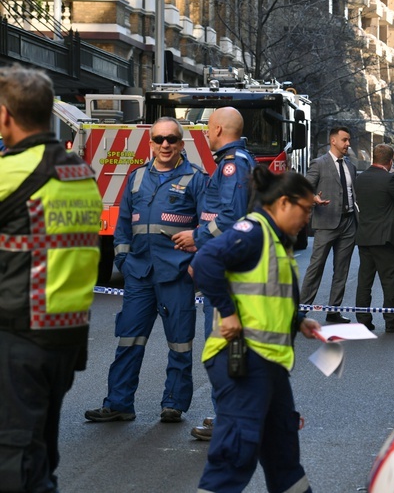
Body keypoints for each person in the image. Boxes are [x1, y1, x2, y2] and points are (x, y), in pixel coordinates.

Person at [0, 65, 102, 492]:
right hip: (65, 336)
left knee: (16, 463)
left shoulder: (10, 173)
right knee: (39, 453)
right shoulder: (81, 176)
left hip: (18, 334)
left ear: (6, 115)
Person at [191, 166, 319, 493]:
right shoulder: (253, 231)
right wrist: (228, 313)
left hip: (269, 362)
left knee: (283, 454)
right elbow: (204, 263)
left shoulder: (279, 240)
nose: (308, 218)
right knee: (236, 453)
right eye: (306, 209)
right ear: (284, 203)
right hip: (245, 359)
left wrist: (298, 322)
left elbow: (271, 296)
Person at [85, 116, 207, 423]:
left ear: (181, 144)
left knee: (179, 344)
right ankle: (119, 403)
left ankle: (173, 404)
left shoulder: (197, 178)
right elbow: (122, 224)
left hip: (176, 275)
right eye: (159, 139)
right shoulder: (136, 177)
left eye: (171, 139)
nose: (165, 144)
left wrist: (195, 267)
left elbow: (207, 225)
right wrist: (124, 261)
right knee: (128, 341)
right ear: (150, 143)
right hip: (139, 274)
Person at [170, 107, 257, 441]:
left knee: (223, 345)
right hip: (224, 260)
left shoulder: (233, 164)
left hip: (229, 267)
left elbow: (231, 215)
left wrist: (198, 236)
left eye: (208, 127)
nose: (206, 133)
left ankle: (230, 420)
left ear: (219, 128)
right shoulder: (232, 161)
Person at [355, 144, 394, 333]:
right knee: (390, 281)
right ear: (390, 161)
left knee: (364, 281)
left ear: (373, 158)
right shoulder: (390, 179)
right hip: (386, 239)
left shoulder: (360, 178)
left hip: (364, 237)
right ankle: (392, 321)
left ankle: (363, 319)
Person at [300, 126, 357, 324]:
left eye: (348, 140)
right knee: (316, 267)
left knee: (342, 269)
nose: (348, 144)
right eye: (344, 140)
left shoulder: (350, 166)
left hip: (348, 223)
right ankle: (301, 310)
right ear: (333, 141)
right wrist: (313, 197)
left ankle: (333, 310)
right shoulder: (319, 164)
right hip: (325, 223)